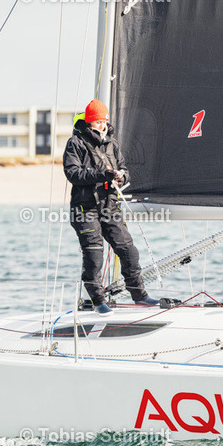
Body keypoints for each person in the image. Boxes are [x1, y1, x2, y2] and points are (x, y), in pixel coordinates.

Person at [63, 99, 158, 316]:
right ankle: (97, 300)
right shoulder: (75, 143)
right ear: (89, 122)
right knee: (94, 254)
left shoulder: (112, 143)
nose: (102, 125)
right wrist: (101, 175)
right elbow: (72, 173)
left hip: (110, 206)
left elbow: (123, 168)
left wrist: (121, 176)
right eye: (97, 121)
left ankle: (140, 296)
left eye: (104, 121)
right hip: (85, 209)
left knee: (128, 250)